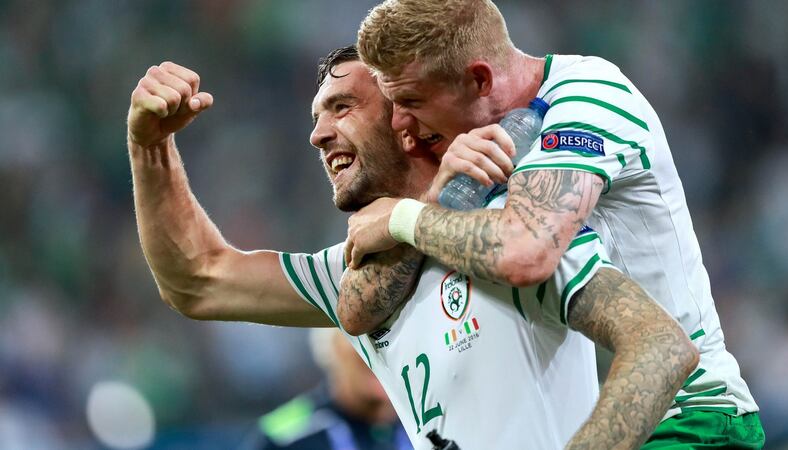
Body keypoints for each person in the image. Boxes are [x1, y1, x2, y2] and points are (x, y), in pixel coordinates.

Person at [125, 48, 697, 449]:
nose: (316, 134)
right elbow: (199, 279)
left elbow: (662, 345)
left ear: (405, 121)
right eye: (316, 116)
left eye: (341, 107)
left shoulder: (504, 232)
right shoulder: (355, 272)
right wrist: (148, 147)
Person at [341, 0, 764, 448]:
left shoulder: (587, 98)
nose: (399, 122)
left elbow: (525, 253)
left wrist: (403, 217)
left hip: (690, 418)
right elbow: (343, 308)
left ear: (480, 79)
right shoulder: (484, 144)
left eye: (411, 101)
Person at [239, 329, 411, 450]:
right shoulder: (285, 437)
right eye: (364, 336)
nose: (378, 347)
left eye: (392, 333)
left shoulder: (423, 427)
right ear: (333, 347)